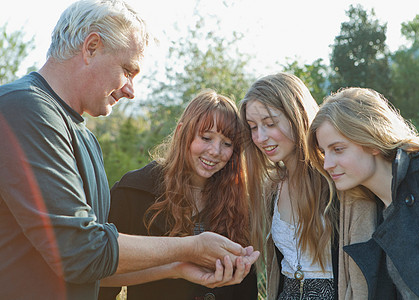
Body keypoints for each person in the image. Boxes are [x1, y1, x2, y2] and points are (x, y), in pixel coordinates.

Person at [0, 1, 258, 299]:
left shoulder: (82, 135)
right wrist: (192, 246)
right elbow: (80, 248)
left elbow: (94, 265)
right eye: (127, 70)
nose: (131, 90)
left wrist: (178, 267)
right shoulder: (25, 109)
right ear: (91, 47)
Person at [98, 90, 258, 299]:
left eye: (227, 144)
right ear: (183, 132)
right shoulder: (134, 191)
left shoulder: (239, 200)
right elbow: (98, 275)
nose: (216, 151)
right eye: (206, 137)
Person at [307, 87, 419, 300]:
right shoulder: (363, 212)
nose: (327, 164)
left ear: (372, 141)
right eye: (323, 152)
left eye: (338, 149)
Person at [239, 73, 339, 300]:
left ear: (298, 116)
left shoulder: (336, 179)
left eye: (270, 123)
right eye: (253, 127)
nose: (260, 137)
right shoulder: (272, 188)